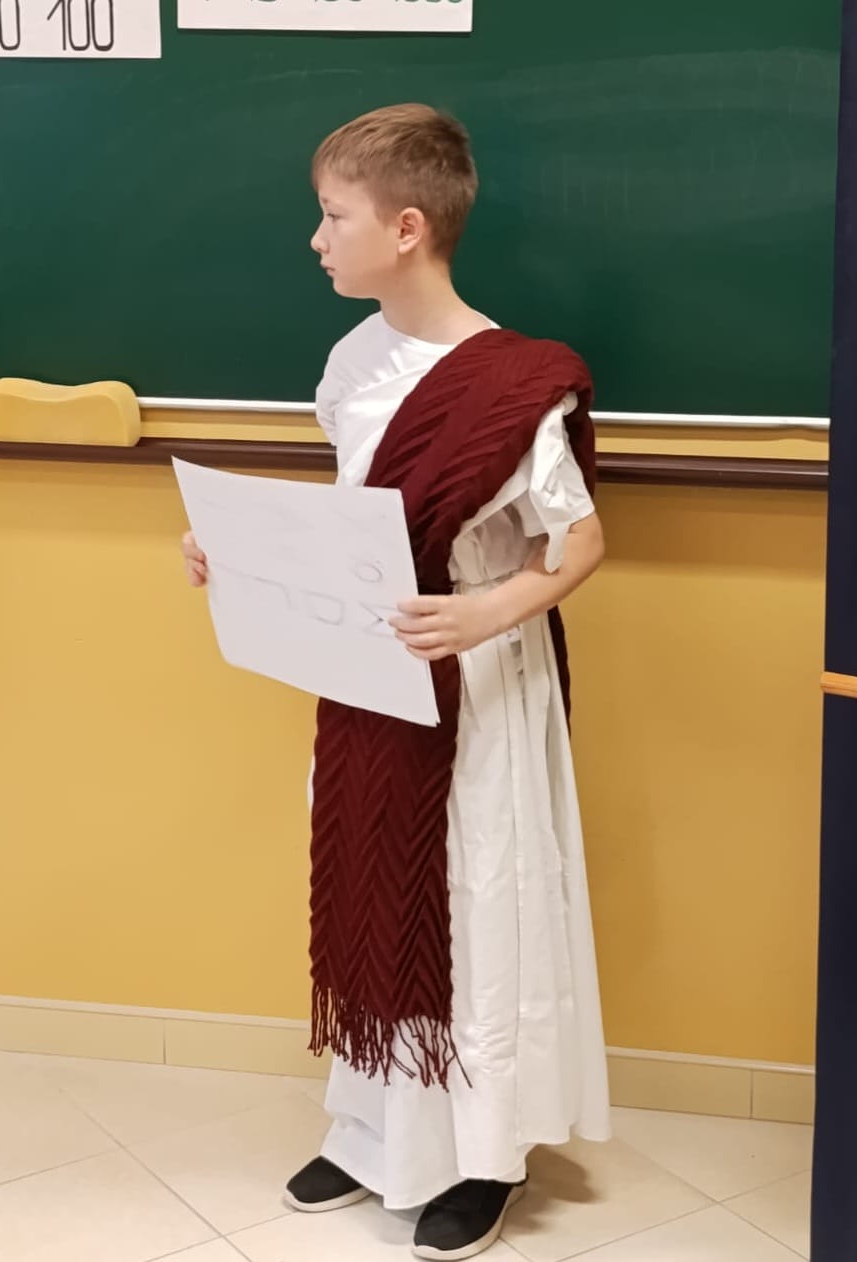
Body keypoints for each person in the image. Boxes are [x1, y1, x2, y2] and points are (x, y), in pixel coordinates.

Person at [181, 103, 610, 1260]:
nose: (316, 239)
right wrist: (234, 556)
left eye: (333, 216)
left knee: (474, 902)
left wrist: (483, 611)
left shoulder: (517, 383)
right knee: (370, 881)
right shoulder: (351, 362)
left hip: (475, 677)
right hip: (369, 674)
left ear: (407, 227)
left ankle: (482, 1154)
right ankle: (373, 1130)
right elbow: (353, 527)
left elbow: (576, 544)